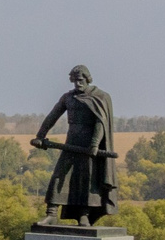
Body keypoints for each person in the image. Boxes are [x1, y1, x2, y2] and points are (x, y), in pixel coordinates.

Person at [31, 65, 117, 226]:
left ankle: (84, 215)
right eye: (75, 81)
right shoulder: (68, 98)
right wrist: (40, 136)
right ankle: (51, 214)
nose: (77, 84)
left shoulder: (99, 97)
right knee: (59, 177)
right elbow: (52, 116)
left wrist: (94, 144)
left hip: (89, 148)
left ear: (87, 79)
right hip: (71, 144)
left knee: (87, 181)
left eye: (80, 80)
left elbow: (101, 122)